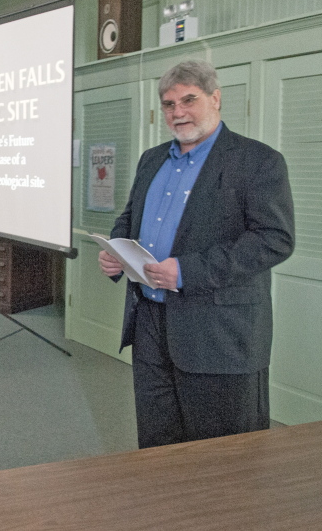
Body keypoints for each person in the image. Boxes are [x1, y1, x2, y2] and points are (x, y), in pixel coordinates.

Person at [98, 60, 295, 449]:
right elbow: (129, 216)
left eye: (189, 100)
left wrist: (188, 271)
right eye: (169, 104)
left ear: (215, 98)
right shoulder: (151, 159)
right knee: (158, 439)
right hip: (151, 323)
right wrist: (117, 250)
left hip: (219, 332)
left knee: (222, 452)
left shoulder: (257, 161)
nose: (178, 112)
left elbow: (274, 238)